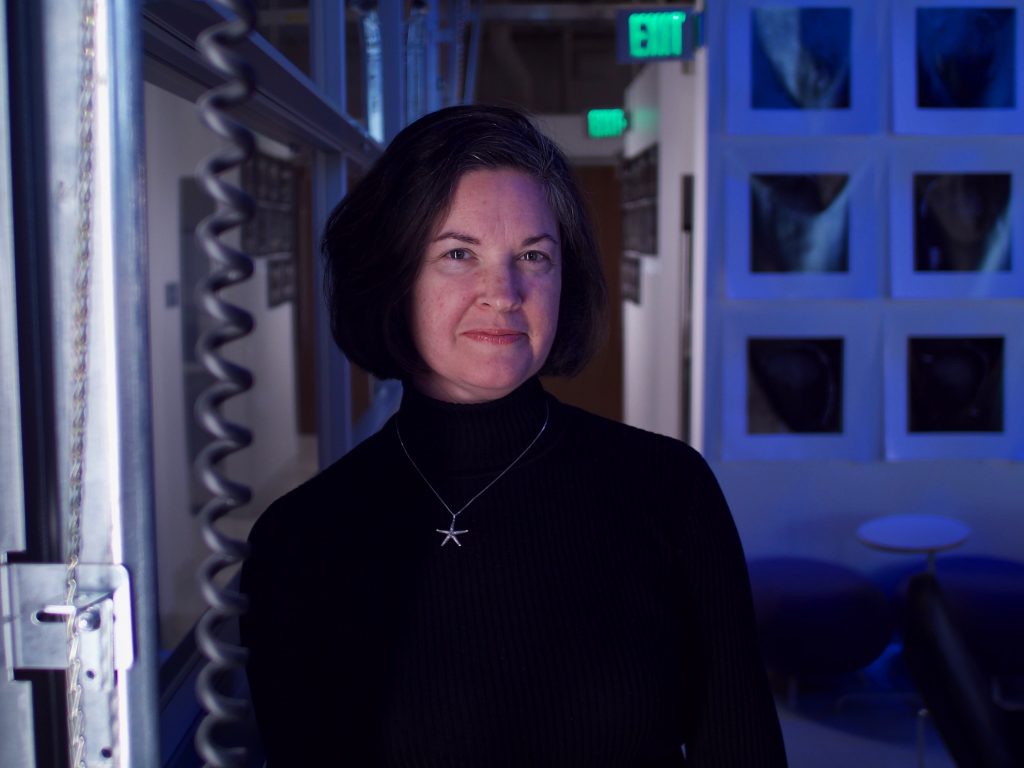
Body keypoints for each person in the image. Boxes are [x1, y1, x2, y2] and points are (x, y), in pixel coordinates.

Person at [240, 104, 787, 766]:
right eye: (458, 254)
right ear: (392, 274)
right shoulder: (302, 538)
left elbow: (743, 749)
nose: (503, 292)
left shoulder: (669, 490)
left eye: (533, 255)